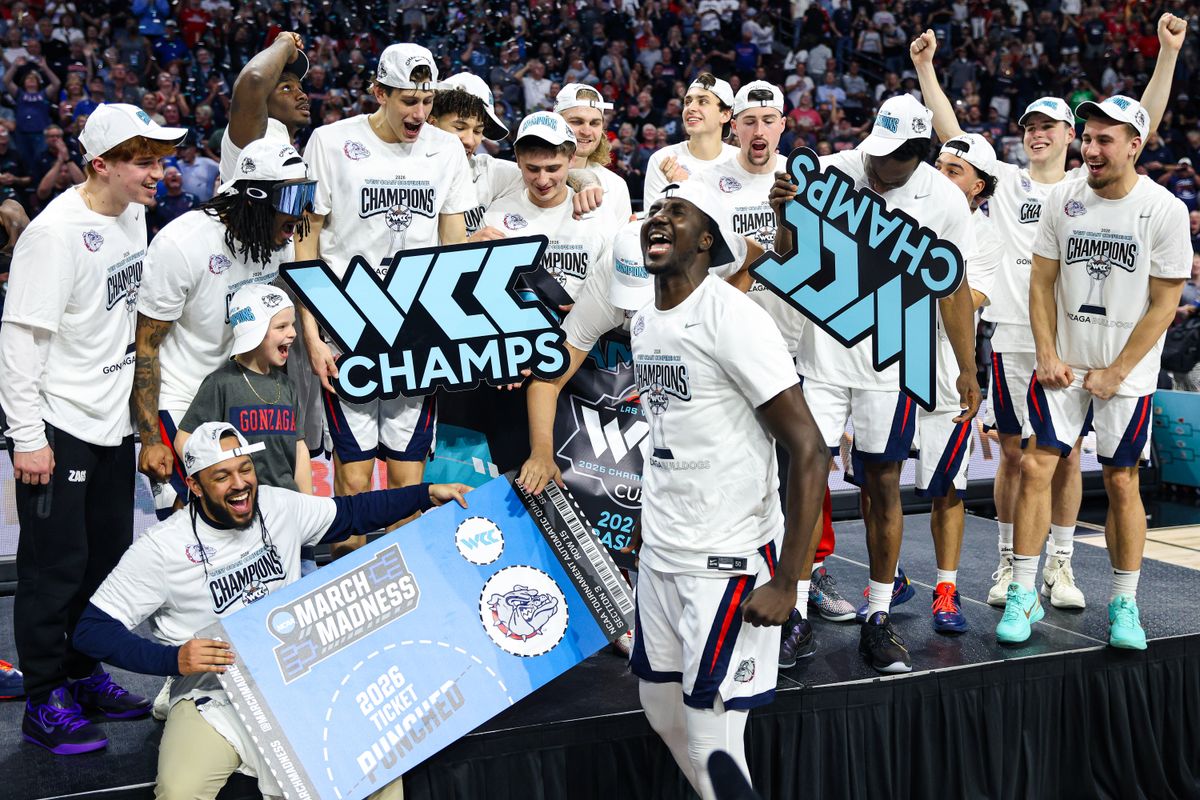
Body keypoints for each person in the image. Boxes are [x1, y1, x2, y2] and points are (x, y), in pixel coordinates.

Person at [910, 16, 1182, 609]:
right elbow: (954, 135)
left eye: (1049, 126)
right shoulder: (1006, 183)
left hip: (1082, 343)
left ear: (1071, 135)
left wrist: (1167, 56)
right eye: (1029, 125)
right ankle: (1012, 564)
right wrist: (927, 70)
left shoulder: (1089, 185)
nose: (1037, 134)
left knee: (1064, 460)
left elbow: (1144, 125)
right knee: (1017, 455)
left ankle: (1060, 563)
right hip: (1017, 337)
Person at [72, 422, 471, 798]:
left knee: (377, 762)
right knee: (179, 790)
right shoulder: (161, 548)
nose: (241, 483)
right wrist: (173, 659)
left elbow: (351, 514)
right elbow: (91, 629)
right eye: (222, 476)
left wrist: (424, 494)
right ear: (193, 486)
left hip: (295, 681)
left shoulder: (278, 506)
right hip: (214, 695)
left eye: (245, 469)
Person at [627, 181, 826, 799]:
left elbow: (809, 449)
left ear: (706, 239)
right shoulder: (643, 318)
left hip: (727, 556)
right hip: (663, 548)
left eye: (677, 212)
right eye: (655, 211)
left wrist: (791, 579)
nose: (659, 219)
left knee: (712, 734)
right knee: (659, 707)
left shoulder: (735, 318)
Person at [770, 94, 980, 672]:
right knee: (806, 473)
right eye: (874, 148)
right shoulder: (835, 171)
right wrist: (785, 215)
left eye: (890, 157)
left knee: (883, 483)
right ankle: (798, 610)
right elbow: (787, 259)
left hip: (893, 365)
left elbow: (954, 287)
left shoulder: (943, 200)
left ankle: (879, 616)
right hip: (821, 356)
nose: (874, 162)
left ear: (918, 156)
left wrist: (966, 366)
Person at [0, 102, 184, 754]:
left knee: (103, 563)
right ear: (100, 164)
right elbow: (21, 340)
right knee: (54, 568)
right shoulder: (54, 235)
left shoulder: (132, 215)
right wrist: (27, 437)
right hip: (59, 425)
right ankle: (44, 696)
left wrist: (141, 421)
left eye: (159, 159)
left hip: (112, 424)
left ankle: (82, 673)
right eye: (143, 160)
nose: (157, 172)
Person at [997, 95, 1192, 649]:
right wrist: (1047, 353)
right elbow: (1040, 283)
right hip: (1063, 361)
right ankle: (1023, 591)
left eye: (1105, 139)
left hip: (1125, 372)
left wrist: (1117, 370)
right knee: (1037, 465)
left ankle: (1125, 603)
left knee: (1122, 479)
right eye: (1087, 137)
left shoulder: (1164, 210)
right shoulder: (1062, 198)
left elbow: (1165, 302)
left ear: (1136, 145)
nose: (1091, 148)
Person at [298, 43, 473, 556]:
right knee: (350, 478)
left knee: (406, 480)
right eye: (407, 101)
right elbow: (304, 242)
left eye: (426, 100)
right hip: (345, 326)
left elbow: (454, 250)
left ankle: (405, 595)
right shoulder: (329, 143)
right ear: (379, 93)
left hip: (415, 332)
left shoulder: (447, 151)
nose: (419, 113)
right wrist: (311, 332)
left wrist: (450, 334)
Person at [132, 139, 314, 522]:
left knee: (247, 526)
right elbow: (146, 347)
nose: (302, 213)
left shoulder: (278, 242)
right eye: (293, 199)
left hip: (237, 396)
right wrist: (150, 439)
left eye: (306, 196)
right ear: (255, 197)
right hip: (183, 400)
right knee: (191, 523)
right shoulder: (182, 244)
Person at [919, 133, 1001, 633]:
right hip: (884, 363)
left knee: (947, 485)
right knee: (875, 477)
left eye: (955, 171)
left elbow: (967, 300)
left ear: (979, 187)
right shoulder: (908, 210)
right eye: (939, 166)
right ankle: (888, 577)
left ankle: (946, 588)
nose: (941, 176)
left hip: (949, 367)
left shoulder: (987, 238)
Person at [176, 284, 312, 503]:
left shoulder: (287, 386)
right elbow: (184, 440)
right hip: (241, 507)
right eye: (281, 326)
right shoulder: (221, 384)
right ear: (254, 331)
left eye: (293, 325)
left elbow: (299, 448)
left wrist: (309, 504)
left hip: (287, 505)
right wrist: (218, 482)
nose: (293, 333)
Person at [482, 112, 614, 300]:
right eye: (532, 169)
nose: (542, 180)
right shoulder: (496, 216)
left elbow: (611, 284)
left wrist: (587, 309)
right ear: (518, 160)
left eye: (553, 169)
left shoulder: (599, 214)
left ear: (571, 159)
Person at [643, 73, 739, 207]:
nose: (691, 108)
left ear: (725, 114)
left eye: (703, 101)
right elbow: (655, 223)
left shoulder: (740, 162)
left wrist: (685, 187)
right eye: (687, 102)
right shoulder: (663, 159)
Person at [553, 83, 633, 224]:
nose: (586, 131)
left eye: (594, 123)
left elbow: (620, 244)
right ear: (555, 123)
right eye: (577, 122)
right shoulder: (529, 175)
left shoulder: (615, 186)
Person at [147, 165, 197, 235]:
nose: (174, 175)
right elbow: (153, 228)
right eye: (169, 174)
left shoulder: (193, 199)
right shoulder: (157, 202)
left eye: (177, 173)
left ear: (182, 179)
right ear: (164, 181)